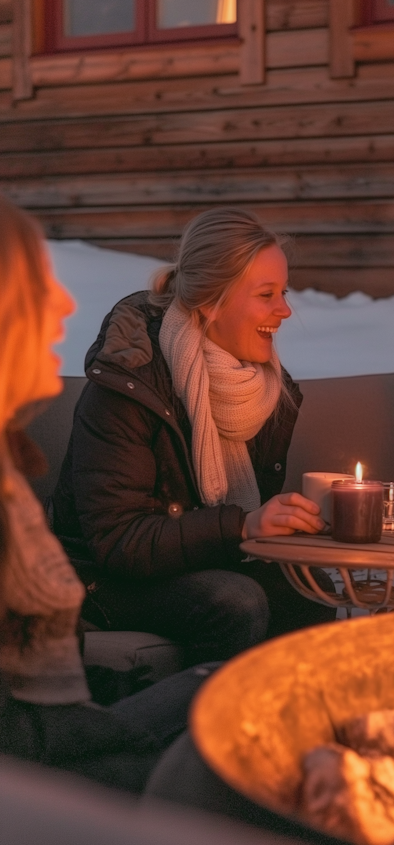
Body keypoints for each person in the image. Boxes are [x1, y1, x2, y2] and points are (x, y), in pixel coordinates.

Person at [0, 194, 222, 792]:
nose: (68, 303)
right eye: (38, 285)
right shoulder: (129, 388)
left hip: (63, 726)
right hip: (46, 772)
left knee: (250, 681)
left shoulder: (8, 465)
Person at [52, 208, 335, 664]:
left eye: (283, 293)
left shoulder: (262, 392)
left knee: (312, 593)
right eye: (267, 295)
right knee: (234, 602)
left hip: (199, 559)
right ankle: (207, 731)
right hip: (98, 578)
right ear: (210, 303)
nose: (284, 310)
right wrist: (243, 525)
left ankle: (289, 726)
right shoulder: (130, 386)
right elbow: (118, 541)